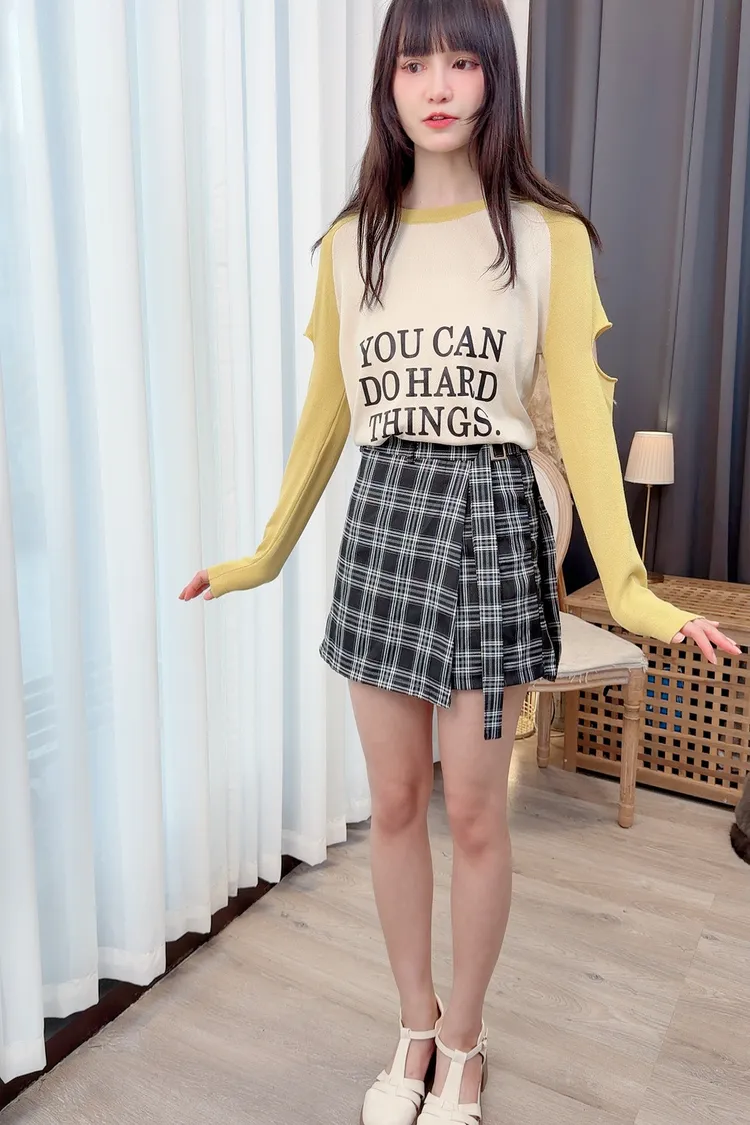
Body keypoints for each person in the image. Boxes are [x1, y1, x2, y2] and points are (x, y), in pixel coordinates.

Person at [180, 2, 740, 1121]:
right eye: (413, 64)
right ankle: (415, 1028)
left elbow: (583, 424)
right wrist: (263, 555)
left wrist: (633, 593)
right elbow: (326, 421)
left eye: (462, 62)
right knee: (394, 804)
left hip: (492, 520)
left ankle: (468, 1046)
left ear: (496, 78)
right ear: (386, 84)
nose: (437, 86)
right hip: (384, 519)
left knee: (475, 813)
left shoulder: (545, 236)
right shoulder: (350, 244)